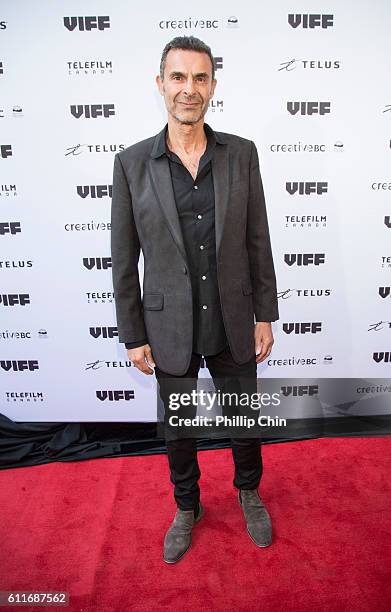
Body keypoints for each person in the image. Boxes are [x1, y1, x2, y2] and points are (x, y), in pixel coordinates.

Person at [110, 35, 279, 564]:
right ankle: (187, 506)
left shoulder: (241, 154)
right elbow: (123, 257)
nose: (190, 88)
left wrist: (265, 315)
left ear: (213, 86)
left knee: (243, 416)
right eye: (178, 77)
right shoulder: (132, 163)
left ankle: (248, 491)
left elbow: (258, 238)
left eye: (200, 78)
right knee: (179, 427)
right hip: (169, 326)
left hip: (232, 315)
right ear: (160, 85)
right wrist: (133, 333)